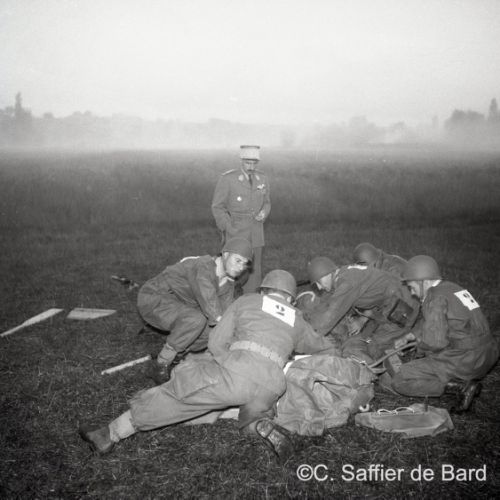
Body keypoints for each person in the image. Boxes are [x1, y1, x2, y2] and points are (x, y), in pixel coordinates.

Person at [79, 270, 337, 461]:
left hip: (237, 374)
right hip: (272, 388)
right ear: (290, 298)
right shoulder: (297, 319)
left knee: (182, 390)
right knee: (247, 410)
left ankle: (109, 434)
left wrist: (227, 362)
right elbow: (325, 348)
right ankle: (258, 424)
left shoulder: (248, 301)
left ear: (264, 291)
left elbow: (216, 342)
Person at [389, 255, 499, 412]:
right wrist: (411, 336)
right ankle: (461, 380)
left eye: (412, 287)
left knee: (400, 379)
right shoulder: (452, 288)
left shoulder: (434, 298)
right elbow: (435, 320)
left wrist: (419, 349)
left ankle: (460, 387)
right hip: (488, 354)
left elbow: (435, 342)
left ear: (424, 282)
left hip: (467, 360)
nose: (412, 293)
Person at [137, 237, 252, 381]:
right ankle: (160, 364)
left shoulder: (228, 283)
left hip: (181, 305)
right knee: (196, 320)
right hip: (155, 298)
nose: (241, 267)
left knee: (212, 332)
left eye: (245, 264)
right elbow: (210, 302)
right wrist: (226, 326)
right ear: (226, 254)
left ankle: (177, 355)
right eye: (238, 260)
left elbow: (225, 315)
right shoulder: (203, 266)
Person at [303, 256, 418, 364]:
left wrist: (305, 339)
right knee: (363, 340)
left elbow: (330, 315)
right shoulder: (343, 275)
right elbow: (328, 303)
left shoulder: (347, 282)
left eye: (319, 282)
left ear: (327, 273)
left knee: (374, 348)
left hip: (403, 308)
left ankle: (406, 355)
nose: (319, 287)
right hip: (388, 305)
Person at [211, 145, 271, 293]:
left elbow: (267, 202)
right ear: (241, 161)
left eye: (254, 163)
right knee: (232, 268)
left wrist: (263, 213)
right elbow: (217, 207)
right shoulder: (228, 179)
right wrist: (228, 227)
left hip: (256, 232)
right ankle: (227, 297)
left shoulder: (262, 178)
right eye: (247, 163)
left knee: (254, 268)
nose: (251, 167)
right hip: (236, 233)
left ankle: (252, 298)